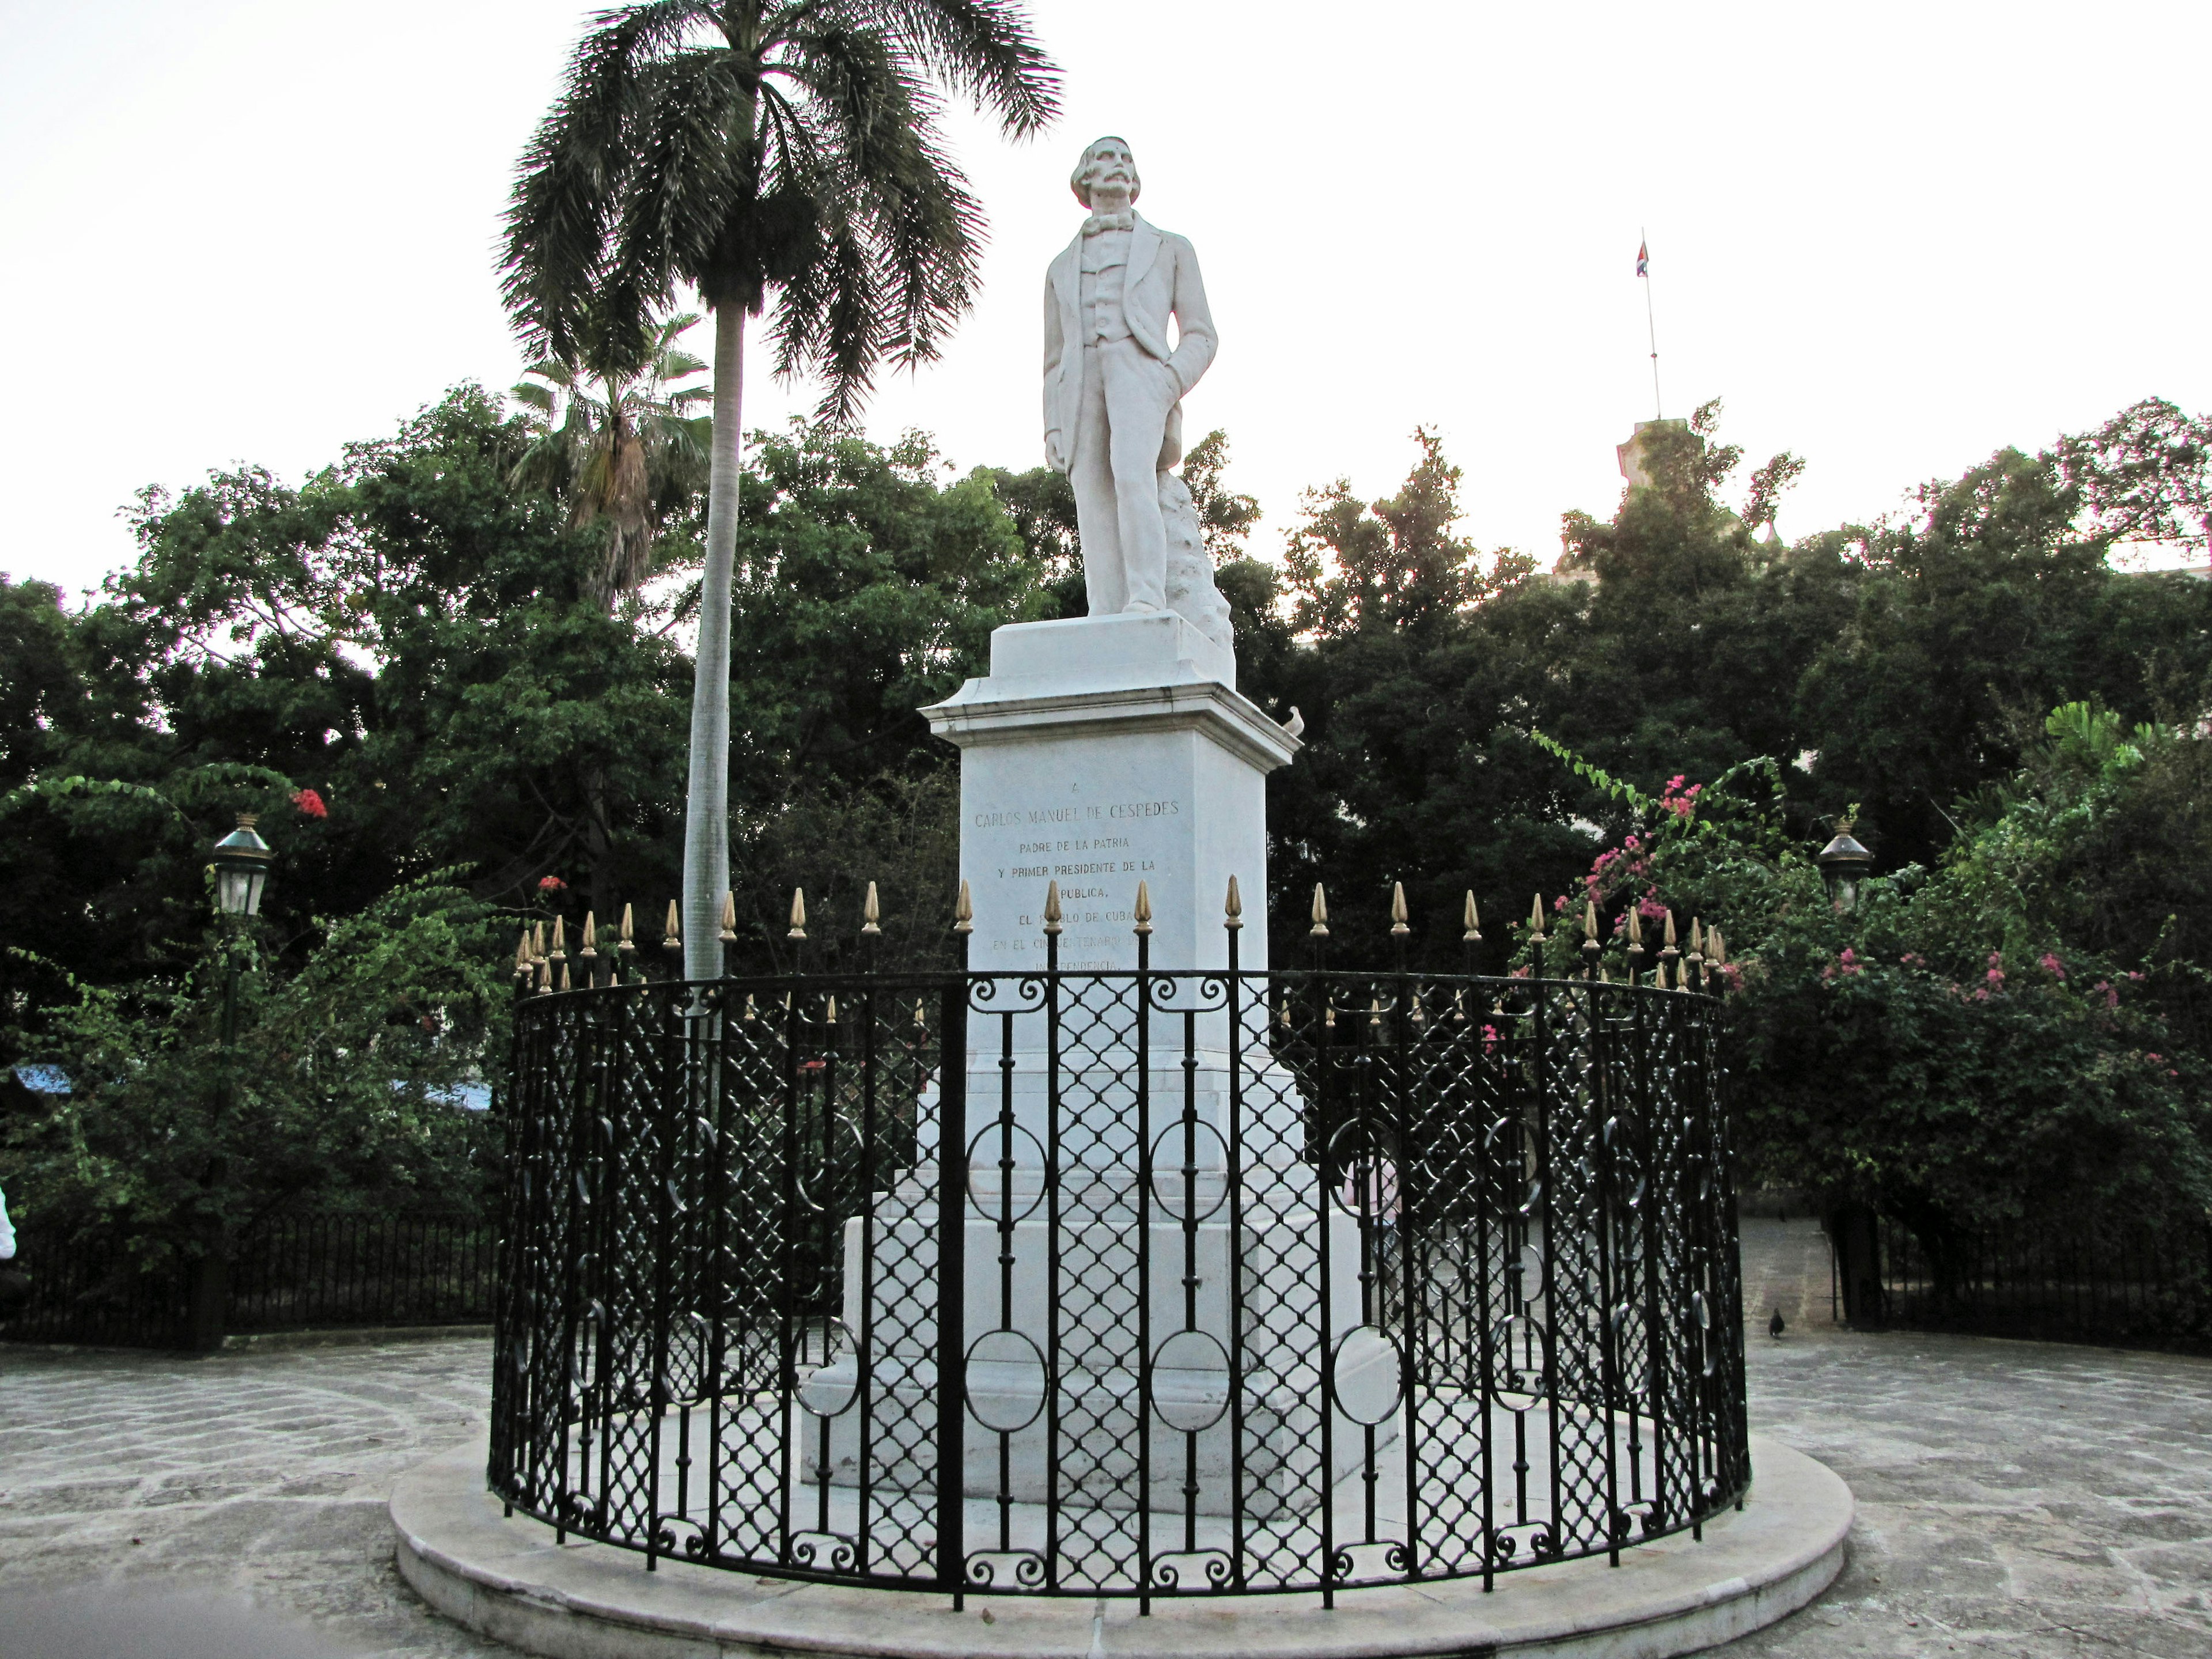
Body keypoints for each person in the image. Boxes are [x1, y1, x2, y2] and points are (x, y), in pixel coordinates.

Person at [1041, 136, 1218, 618]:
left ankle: (1146, 598)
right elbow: (1053, 359)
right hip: (1079, 382)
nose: (1117, 164)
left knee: (1132, 476)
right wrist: (1053, 424)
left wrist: (1169, 381)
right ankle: (1105, 610)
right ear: (1085, 176)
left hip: (1139, 372)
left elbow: (1202, 334)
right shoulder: (1060, 267)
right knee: (1091, 495)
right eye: (1105, 156)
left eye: (1126, 158)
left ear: (1135, 179)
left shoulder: (1172, 248)